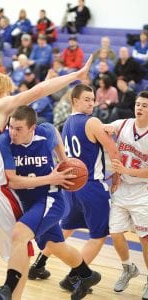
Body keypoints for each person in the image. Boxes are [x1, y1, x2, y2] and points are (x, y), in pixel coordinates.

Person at [0, 56, 93, 300]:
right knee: (22, 249)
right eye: (8, 91)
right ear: (0, 91)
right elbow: (35, 93)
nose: (11, 95)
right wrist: (74, 76)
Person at [0, 105, 102, 300]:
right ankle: (87, 275)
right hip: (29, 201)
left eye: (19, 129)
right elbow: (13, 180)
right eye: (11, 127)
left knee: (19, 235)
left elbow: (55, 133)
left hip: (50, 199)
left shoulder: (44, 132)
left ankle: (7, 289)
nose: (13, 132)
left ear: (32, 128)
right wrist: (51, 177)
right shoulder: (5, 140)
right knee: (55, 246)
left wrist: (65, 161)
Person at [29, 83, 121, 292]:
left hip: (71, 186)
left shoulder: (67, 123)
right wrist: (116, 178)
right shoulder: (93, 121)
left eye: (93, 99)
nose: (91, 103)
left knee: (66, 228)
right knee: (98, 235)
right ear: (75, 101)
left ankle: (39, 264)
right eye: (87, 99)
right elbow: (113, 151)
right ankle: (75, 277)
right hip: (92, 186)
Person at [105, 91, 148, 300]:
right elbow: (108, 128)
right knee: (115, 233)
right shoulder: (123, 124)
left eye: (145, 106)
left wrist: (126, 171)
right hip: (122, 188)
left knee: (145, 239)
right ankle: (128, 268)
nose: (139, 108)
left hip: (143, 191)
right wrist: (106, 128)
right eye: (138, 104)